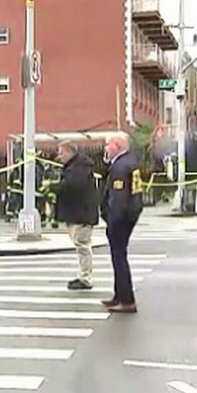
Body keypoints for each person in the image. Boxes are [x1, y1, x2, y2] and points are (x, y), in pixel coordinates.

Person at [100, 133, 143, 313]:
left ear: (117, 145)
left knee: (119, 258)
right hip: (130, 215)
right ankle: (119, 295)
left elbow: (119, 199)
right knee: (119, 257)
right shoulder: (129, 162)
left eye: (108, 145)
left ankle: (126, 299)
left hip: (121, 218)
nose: (106, 149)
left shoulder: (120, 167)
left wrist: (112, 220)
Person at [52, 141, 99, 290]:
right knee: (81, 245)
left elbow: (72, 187)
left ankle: (86, 278)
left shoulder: (79, 168)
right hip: (78, 213)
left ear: (69, 152)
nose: (59, 156)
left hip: (81, 213)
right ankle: (84, 276)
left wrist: (55, 188)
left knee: (82, 244)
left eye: (61, 153)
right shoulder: (76, 167)